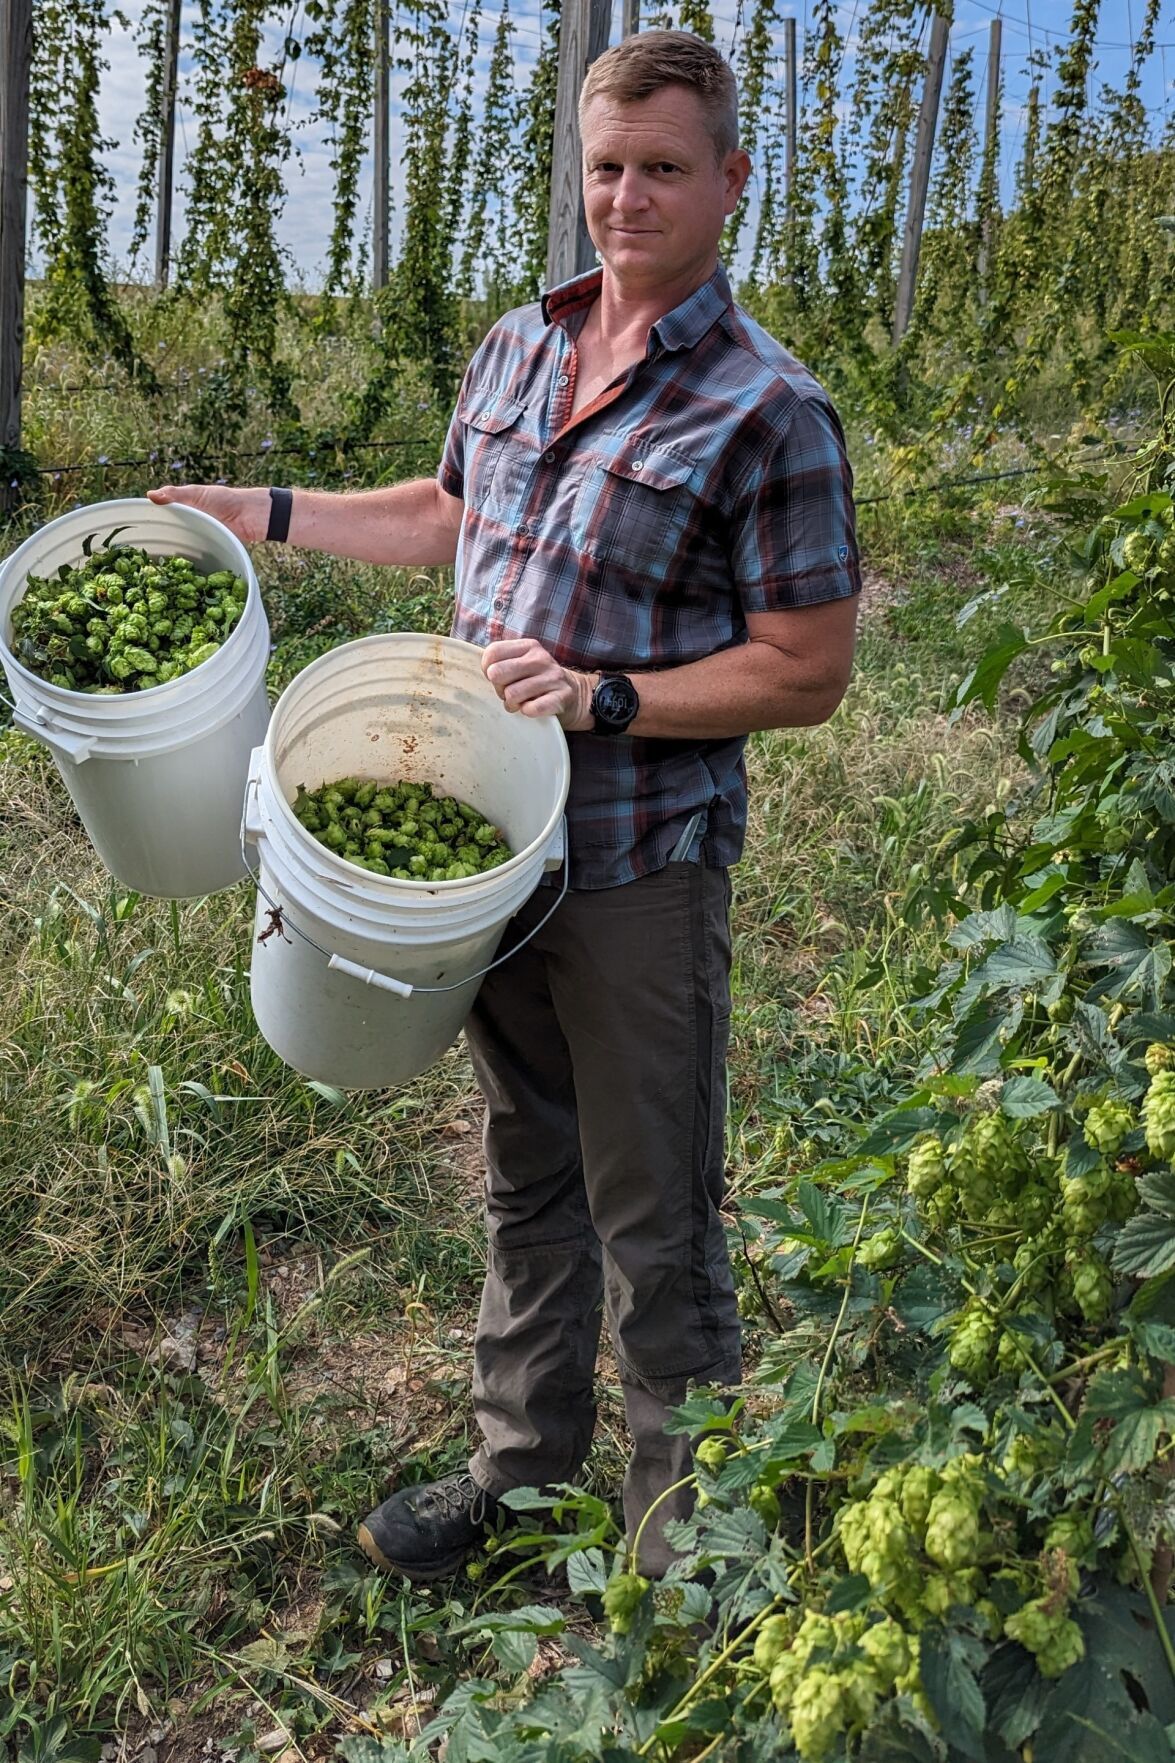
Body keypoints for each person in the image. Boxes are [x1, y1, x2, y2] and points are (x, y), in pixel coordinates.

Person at [149, 29, 860, 1583]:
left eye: (664, 168)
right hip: (489, 860)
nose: (628, 198)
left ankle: (687, 1563)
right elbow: (448, 516)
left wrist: (609, 698)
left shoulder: (768, 411)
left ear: (728, 181)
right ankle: (522, 1480)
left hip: (632, 867)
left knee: (655, 1208)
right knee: (526, 1166)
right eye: (607, 167)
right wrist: (251, 511)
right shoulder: (523, 348)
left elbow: (809, 670)